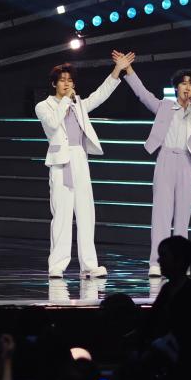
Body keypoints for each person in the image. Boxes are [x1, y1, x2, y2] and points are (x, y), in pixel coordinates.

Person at [113, 52, 191, 276]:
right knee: (161, 214)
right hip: (166, 158)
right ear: (176, 87)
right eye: (183, 83)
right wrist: (128, 70)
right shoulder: (165, 106)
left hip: (187, 162)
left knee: (183, 215)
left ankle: (181, 263)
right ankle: (156, 262)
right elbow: (143, 94)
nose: (187, 87)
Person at [34, 54, 133, 278]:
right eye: (62, 80)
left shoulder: (78, 104)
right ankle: (57, 265)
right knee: (61, 214)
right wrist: (66, 101)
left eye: (70, 80)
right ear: (54, 83)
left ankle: (89, 265)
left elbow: (100, 95)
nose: (67, 83)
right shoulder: (44, 106)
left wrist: (117, 71)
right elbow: (52, 123)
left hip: (79, 158)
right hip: (60, 162)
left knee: (86, 213)